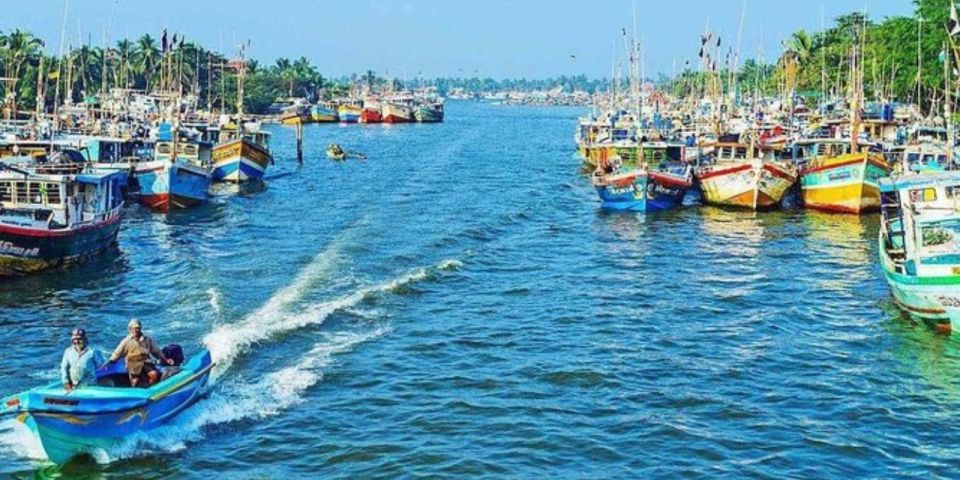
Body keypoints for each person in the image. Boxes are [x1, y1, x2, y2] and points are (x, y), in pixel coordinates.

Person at [109, 319, 174, 388]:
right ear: (130, 329)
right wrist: (111, 360)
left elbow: (156, 351)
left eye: (138, 328)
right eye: (133, 328)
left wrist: (165, 359)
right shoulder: (126, 341)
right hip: (133, 363)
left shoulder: (147, 339)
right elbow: (118, 352)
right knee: (135, 381)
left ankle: (151, 387)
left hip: (146, 362)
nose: (136, 330)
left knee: (154, 374)